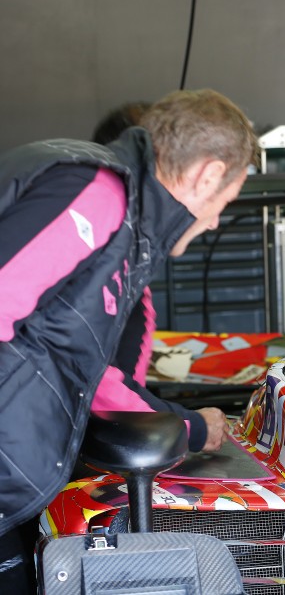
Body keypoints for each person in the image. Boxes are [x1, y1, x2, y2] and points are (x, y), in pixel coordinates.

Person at [0, 88, 258, 592]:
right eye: (226, 200)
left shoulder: (123, 224)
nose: (216, 220)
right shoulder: (99, 192)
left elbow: (91, 376)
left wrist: (186, 429)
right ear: (207, 176)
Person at [89, 100, 231, 465]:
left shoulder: (123, 253)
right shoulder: (106, 256)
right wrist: (192, 426)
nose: (215, 220)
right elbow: (96, 383)